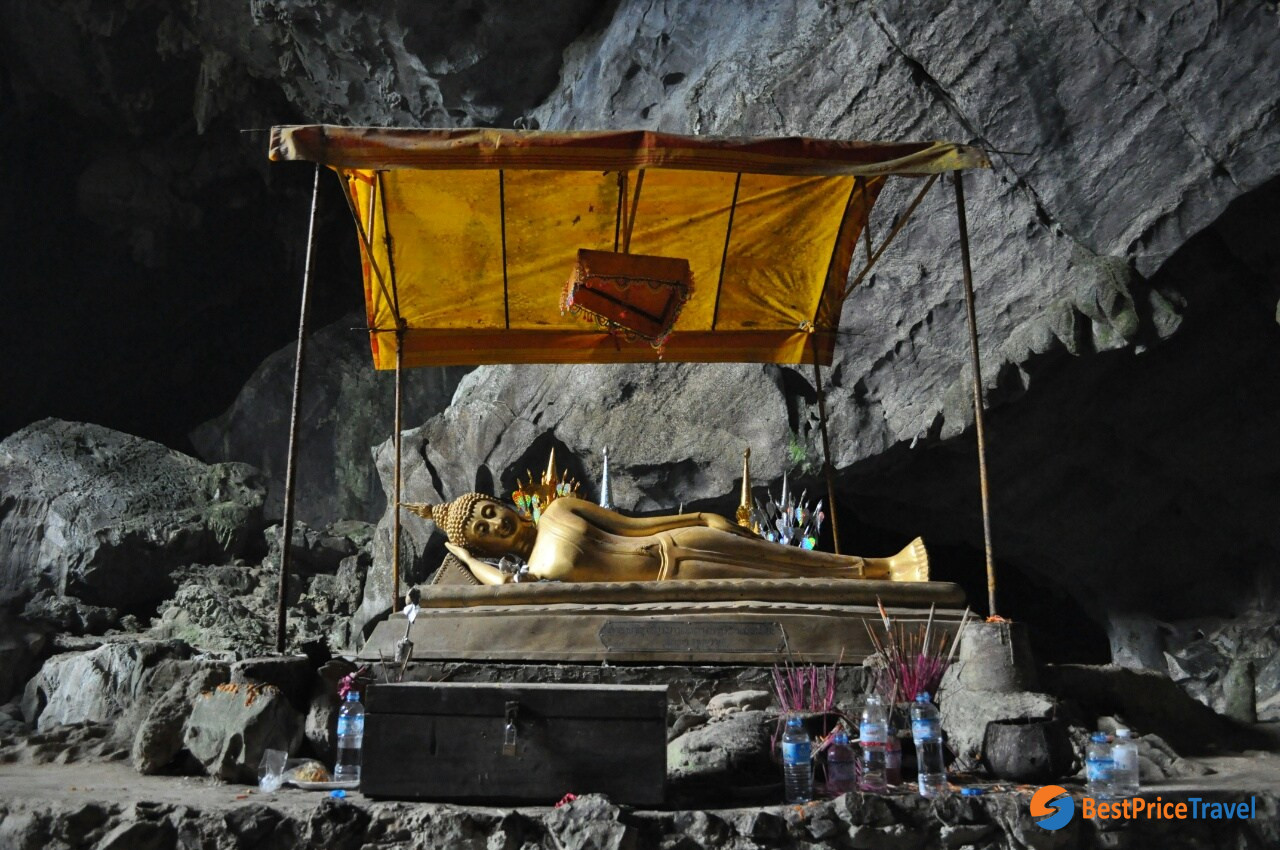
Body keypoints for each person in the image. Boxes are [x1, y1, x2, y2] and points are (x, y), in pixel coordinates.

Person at [404, 493, 928, 585]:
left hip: (678, 542)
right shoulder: (535, 576)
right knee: (775, 582)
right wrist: (460, 554)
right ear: (487, 547)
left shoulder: (560, 509)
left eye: (489, 512)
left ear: (505, 504)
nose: (494, 524)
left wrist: (701, 516)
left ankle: (882, 567)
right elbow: (501, 588)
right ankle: (877, 580)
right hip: (675, 580)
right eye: (482, 531)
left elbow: (633, 524)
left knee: (776, 555)